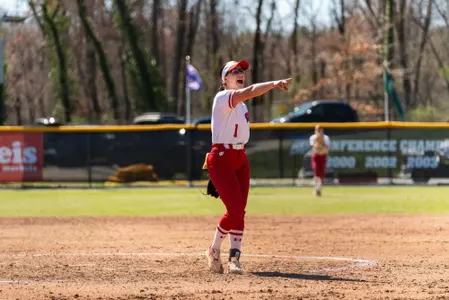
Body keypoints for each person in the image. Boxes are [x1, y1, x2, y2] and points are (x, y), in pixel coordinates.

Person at [204, 60, 291, 274]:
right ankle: (214, 249)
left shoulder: (241, 105)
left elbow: (248, 94)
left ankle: (235, 259)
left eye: (242, 70)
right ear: (225, 79)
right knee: (234, 210)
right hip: (222, 157)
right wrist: (273, 83)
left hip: (240, 157)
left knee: (239, 212)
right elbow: (251, 91)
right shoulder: (223, 97)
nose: (240, 73)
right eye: (235, 71)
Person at [309, 124, 331, 196]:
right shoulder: (313, 137)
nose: (318, 131)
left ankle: (319, 189)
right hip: (316, 156)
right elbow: (314, 148)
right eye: (317, 129)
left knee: (321, 174)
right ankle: (316, 188)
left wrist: (321, 148)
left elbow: (326, 149)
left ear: (322, 130)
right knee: (316, 172)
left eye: (319, 129)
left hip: (323, 156)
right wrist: (319, 145)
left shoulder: (326, 138)